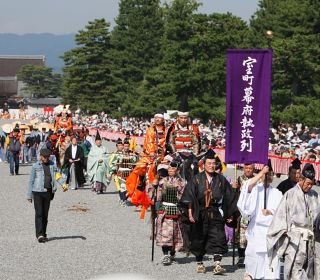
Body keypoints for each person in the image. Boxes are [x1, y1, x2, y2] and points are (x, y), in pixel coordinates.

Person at [179, 149, 238, 274]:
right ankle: (200, 262)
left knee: (218, 237)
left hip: (215, 211)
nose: (211, 166)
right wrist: (190, 213)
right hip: (199, 212)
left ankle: (217, 264)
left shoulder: (221, 179)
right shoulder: (196, 179)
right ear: (204, 165)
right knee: (199, 238)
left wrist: (230, 213)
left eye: (213, 163)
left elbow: (230, 196)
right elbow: (188, 196)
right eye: (209, 163)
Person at [267, 163, 320, 280]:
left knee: (310, 268)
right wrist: (284, 231)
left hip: (310, 239)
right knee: (295, 268)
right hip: (295, 239)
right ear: (301, 180)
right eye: (308, 184)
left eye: (312, 184)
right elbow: (280, 216)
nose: (310, 187)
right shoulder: (290, 194)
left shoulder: (315, 195)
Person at [237, 163, 283, 280]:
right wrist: (262, 172)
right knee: (253, 254)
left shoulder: (277, 193)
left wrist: (271, 212)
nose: (268, 177)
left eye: (270, 174)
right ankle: (251, 274)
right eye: (266, 175)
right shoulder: (255, 189)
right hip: (256, 229)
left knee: (269, 258)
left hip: (270, 230)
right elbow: (246, 187)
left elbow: (281, 211)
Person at [154, 160, 186, 265]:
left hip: (176, 209)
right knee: (165, 233)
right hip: (164, 209)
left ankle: (172, 253)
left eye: (173, 169)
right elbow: (158, 197)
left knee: (175, 233)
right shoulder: (162, 181)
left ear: (178, 170)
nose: (171, 170)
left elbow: (184, 196)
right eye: (170, 169)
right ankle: (165, 255)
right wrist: (154, 187)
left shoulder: (182, 182)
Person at [27, 149, 59, 243]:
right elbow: (31, 181)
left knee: (45, 214)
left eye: (48, 156)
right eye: (44, 157)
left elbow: (57, 175)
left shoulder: (53, 165)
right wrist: (29, 195)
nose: (46, 158)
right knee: (39, 213)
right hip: (37, 192)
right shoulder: (35, 166)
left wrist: (63, 184)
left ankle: (44, 233)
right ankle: (39, 235)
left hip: (48, 192)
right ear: (40, 156)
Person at [234, 163, 255, 268]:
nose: (248, 170)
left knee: (252, 235)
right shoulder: (239, 179)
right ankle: (241, 256)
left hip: (253, 211)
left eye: (250, 168)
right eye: (246, 168)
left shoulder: (257, 179)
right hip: (242, 211)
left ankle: (251, 257)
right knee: (241, 235)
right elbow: (235, 195)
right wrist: (234, 188)